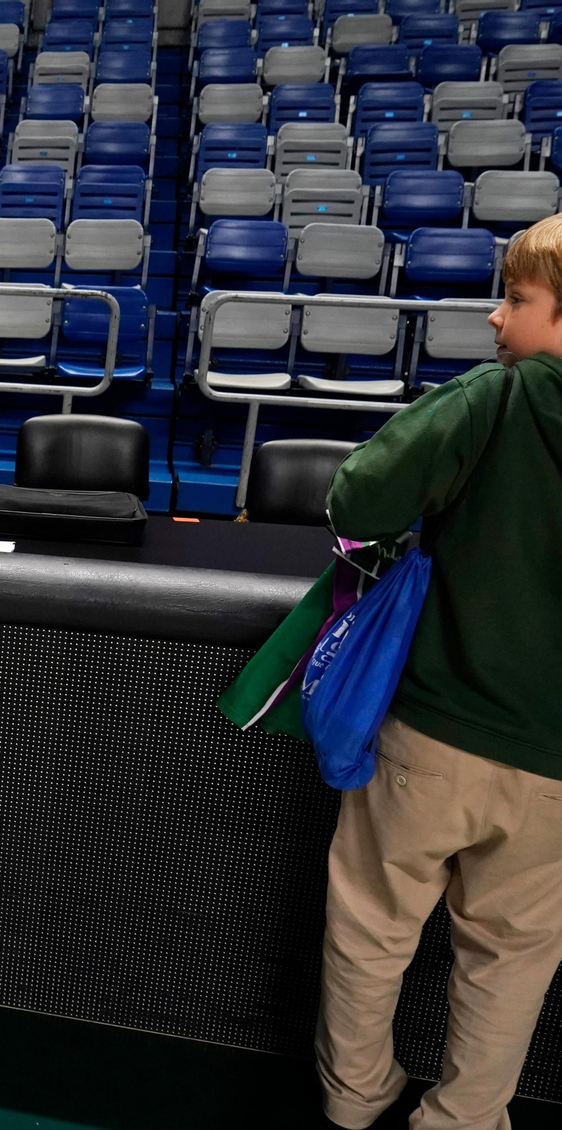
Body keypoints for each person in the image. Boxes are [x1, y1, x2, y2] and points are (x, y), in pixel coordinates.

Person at [316, 213, 562, 1130]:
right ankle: (463, 1121)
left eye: (520, 298)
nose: (498, 319)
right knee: (515, 958)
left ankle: (356, 1099)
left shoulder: (496, 399)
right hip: (554, 767)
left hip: (436, 729)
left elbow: (356, 497)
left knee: (372, 928)